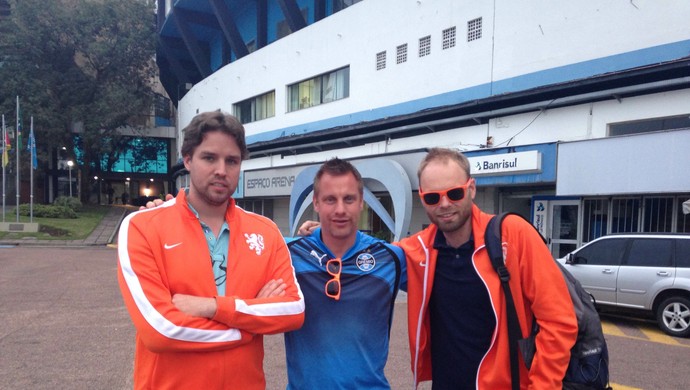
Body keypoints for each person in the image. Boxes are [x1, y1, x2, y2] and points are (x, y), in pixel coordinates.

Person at [300, 148, 578, 389]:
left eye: (454, 193)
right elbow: (372, 250)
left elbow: (559, 323)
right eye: (433, 197)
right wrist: (323, 231)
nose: (444, 204)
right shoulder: (418, 250)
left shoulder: (513, 235)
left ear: (471, 188)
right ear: (422, 197)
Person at [117, 111, 305, 390]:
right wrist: (248, 326)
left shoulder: (265, 231)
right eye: (209, 158)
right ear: (188, 160)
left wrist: (215, 308)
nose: (221, 170)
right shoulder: (143, 226)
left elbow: (292, 310)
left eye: (232, 161)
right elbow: (161, 331)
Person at [284, 158, 406, 389]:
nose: (340, 209)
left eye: (349, 199)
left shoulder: (391, 258)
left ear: (361, 202)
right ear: (316, 203)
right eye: (330, 199)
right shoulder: (288, 253)